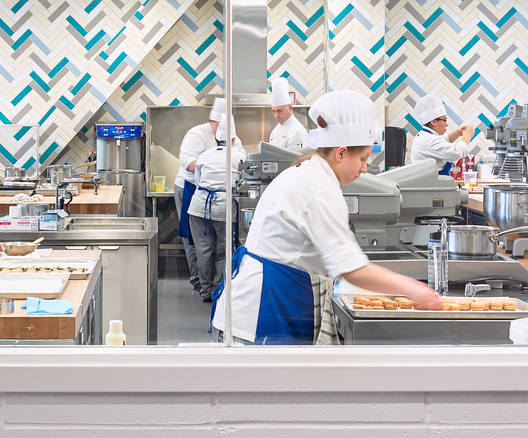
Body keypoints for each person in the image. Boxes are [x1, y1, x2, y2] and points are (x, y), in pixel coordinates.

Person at [211, 90, 442, 343]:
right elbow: (351, 268)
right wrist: (414, 289)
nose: (364, 169)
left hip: (260, 304)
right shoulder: (320, 187)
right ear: (341, 152)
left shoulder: (307, 171)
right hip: (262, 311)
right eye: (363, 159)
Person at [174, 98, 227, 298]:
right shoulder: (197, 134)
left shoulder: (231, 136)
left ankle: (213, 285)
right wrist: (213, 167)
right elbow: (187, 162)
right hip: (189, 188)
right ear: (212, 121)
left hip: (214, 194)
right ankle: (198, 281)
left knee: (212, 245)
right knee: (192, 238)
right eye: (219, 125)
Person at [186, 133, 236, 303]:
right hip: (225, 208)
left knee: (203, 250)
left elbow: (198, 180)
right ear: (234, 140)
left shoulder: (205, 155)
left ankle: (206, 290)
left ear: (215, 139)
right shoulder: (239, 156)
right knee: (223, 251)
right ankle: (218, 290)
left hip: (200, 206)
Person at [407, 93, 486, 176]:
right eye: (444, 120)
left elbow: (442, 140)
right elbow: (456, 152)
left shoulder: (424, 136)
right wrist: (467, 137)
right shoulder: (430, 140)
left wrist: (457, 133)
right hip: (433, 185)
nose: (446, 124)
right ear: (433, 122)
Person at [266, 78, 307, 150]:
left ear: (290, 108)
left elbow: (297, 160)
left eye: (280, 111)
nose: (276, 115)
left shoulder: (297, 131)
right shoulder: (275, 131)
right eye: (274, 111)